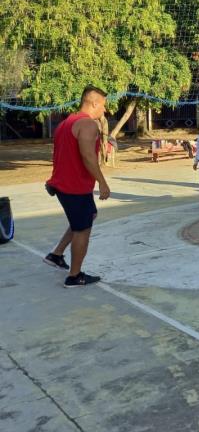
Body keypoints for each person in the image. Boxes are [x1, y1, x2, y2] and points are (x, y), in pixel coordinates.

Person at [43, 86, 110, 288]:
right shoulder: (88, 124)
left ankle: (56, 255)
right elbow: (88, 157)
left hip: (62, 184)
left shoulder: (66, 123)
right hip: (74, 187)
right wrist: (103, 182)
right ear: (94, 103)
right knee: (83, 229)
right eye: (103, 106)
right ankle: (74, 276)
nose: (104, 111)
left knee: (88, 216)